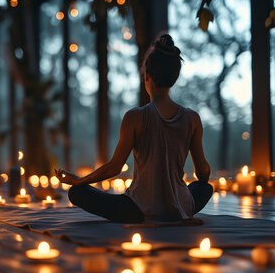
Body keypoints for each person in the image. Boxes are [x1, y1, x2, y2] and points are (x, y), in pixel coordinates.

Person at [55, 34, 212, 223]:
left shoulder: (135, 117)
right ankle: (175, 207)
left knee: (77, 193)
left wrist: (79, 181)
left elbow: (115, 167)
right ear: (175, 78)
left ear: (146, 76)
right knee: (205, 188)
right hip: (181, 206)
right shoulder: (192, 118)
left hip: (138, 209)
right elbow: (203, 172)